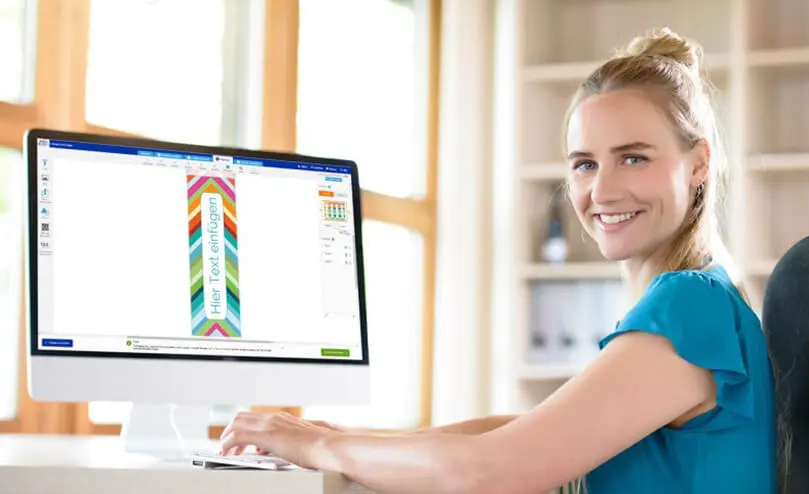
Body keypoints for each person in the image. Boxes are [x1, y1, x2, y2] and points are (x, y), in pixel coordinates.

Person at [219, 28, 778, 494]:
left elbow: (492, 469)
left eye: (633, 158)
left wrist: (320, 445)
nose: (602, 191)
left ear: (698, 163)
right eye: (584, 164)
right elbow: (536, 431)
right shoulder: (701, 297)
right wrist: (358, 440)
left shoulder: (687, 307)